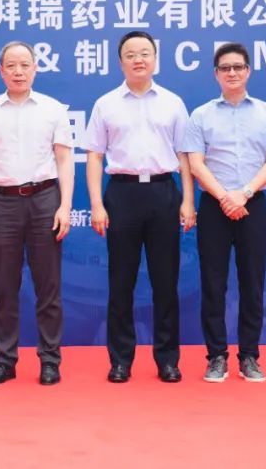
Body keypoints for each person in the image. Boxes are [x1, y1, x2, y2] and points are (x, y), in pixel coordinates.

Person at [83, 30, 196, 383]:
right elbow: (94, 156)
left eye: (145, 53)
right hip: (122, 194)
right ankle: (120, 361)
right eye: (130, 54)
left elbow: (184, 156)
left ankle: (167, 360)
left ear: (155, 59)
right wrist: (97, 204)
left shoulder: (173, 103)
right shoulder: (106, 104)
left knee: (166, 281)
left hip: (164, 192)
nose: (138, 59)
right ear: (120, 62)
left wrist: (188, 200)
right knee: (121, 282)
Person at [0, 41, 74, 386]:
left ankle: (50, 360)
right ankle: (4, 360)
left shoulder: (53, 109)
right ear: (1, 71)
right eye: (11, 65)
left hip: (45, 199)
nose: (18, 71)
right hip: (2, 203)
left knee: (48, 286)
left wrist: (65, 206)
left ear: (35, 68)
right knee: (4, 286)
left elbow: (64, 160)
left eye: (25, 65)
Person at [181, 42, 266, 383]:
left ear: (248, 71)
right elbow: (195, 163)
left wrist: (244, 193)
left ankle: (249, 356)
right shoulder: (201, 115)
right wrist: (225, 196)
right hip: (214, 205)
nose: (232, 73)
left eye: (238, 67)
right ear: (216, 74)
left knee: (252, 283)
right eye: (225, 68)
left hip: (252, 202)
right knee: (213, 283)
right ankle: (216, 356)